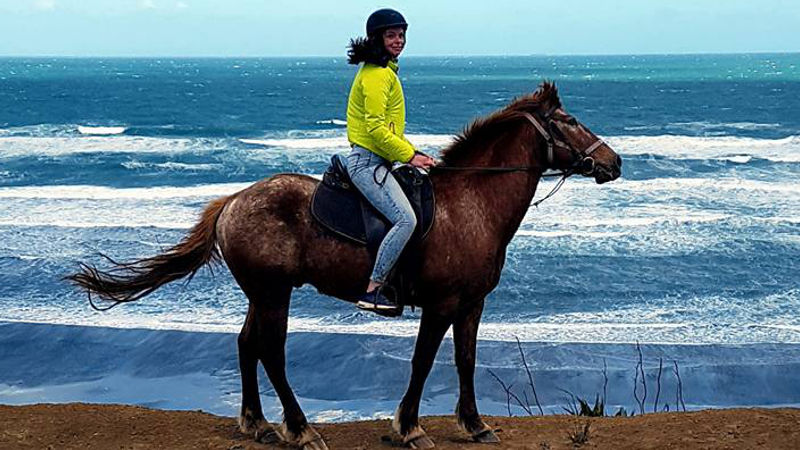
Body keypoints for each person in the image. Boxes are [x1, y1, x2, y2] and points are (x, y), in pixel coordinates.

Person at [345, 8, 436, 315]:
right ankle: (373, 289)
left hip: (381, 159)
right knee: (405, 219)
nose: (398, 41)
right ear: (377, 38)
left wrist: (413, 153)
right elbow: (375, 129)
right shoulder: (376, 75)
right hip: (367, 164)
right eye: (391, 35)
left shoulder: (383, 71)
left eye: (401, 35)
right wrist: (410, 155)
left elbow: (389, 131)